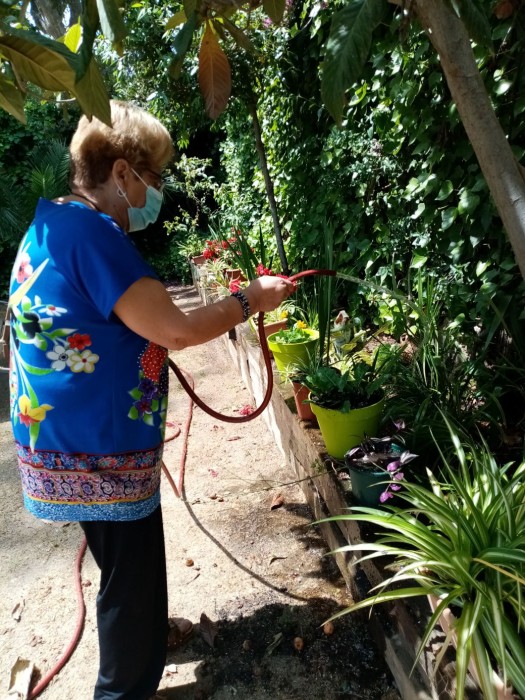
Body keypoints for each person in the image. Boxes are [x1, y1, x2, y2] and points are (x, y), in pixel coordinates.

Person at [8, 100, 294, 700]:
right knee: (131, 577)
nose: (154, 193)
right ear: (120, 172)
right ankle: (123, 688)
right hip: (97, 450)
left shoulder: (55, 222)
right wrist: (251, 298)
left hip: (66, 438)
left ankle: (142, 640)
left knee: (123, 566)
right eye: (153, 177)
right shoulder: (94, 235)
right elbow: (177, 330)